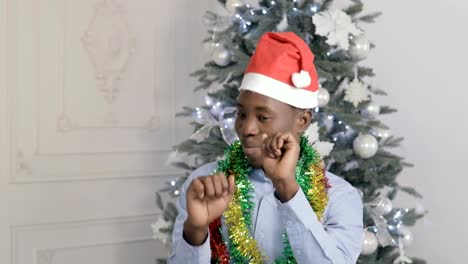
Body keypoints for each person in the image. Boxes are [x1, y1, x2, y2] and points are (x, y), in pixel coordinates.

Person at [168, 32, 363, 264]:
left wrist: (286, 187)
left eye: (263, 117)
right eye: (241, 114)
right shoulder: (205, 185)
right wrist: (196, 230)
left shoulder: (340, 196)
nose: (246, 128)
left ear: (302, 121)